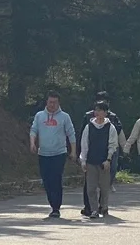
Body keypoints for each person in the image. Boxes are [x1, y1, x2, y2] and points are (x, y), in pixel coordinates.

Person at [29, 90, 77, 219]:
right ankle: (52, 203)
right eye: (50, 102)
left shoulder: (64, 117)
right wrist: (32, 143)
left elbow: (71, 134)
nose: (52, 105)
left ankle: (56, 207)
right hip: (43, 153)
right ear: (47, 102)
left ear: (58, 103)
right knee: (46, 180)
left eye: (55, 102)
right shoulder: (39, 116)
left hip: (59, 153)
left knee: (56, 179)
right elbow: (34, 130)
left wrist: (73, 151)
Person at [81, 91, 124, 217]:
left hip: (104, 161)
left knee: (104, 187)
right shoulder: (89, 126)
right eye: (96, 110)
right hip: (91, 160)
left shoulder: (111, 126)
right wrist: (83, 160)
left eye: (100, 110)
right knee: (90, 188)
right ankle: (93, 209)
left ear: (105, 112)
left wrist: (109, 159)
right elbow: (84, 144)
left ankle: (104, 207)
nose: (98, 112)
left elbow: (113, 144)